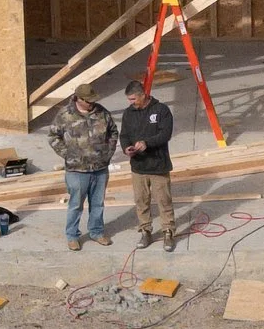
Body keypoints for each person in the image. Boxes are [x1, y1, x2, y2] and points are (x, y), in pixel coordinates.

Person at [46, 86, 120, 250]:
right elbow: (53, 136)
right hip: (77, 170)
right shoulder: (65, 114)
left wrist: (107, 153)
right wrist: (68, 154)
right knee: (75, 204)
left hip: (100, 168)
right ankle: (72, 235)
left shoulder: (102, 113)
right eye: (88, 101)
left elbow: (113, 132)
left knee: (98, 203)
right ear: (79, 99)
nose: (92, 103)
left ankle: (96, 232)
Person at [119, 72, 178, 253]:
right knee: (141, 201)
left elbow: (165, 134)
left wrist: (147, 143)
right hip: (138, 167)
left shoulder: (161, 110)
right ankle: (145, 230)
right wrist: (126, 147)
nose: (131, 102)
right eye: (129, 99)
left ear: (143, 95)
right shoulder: (128, 114)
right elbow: (124, 135)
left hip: (158, 165)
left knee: (164, 200)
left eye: (133, 99)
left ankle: (168, 231)